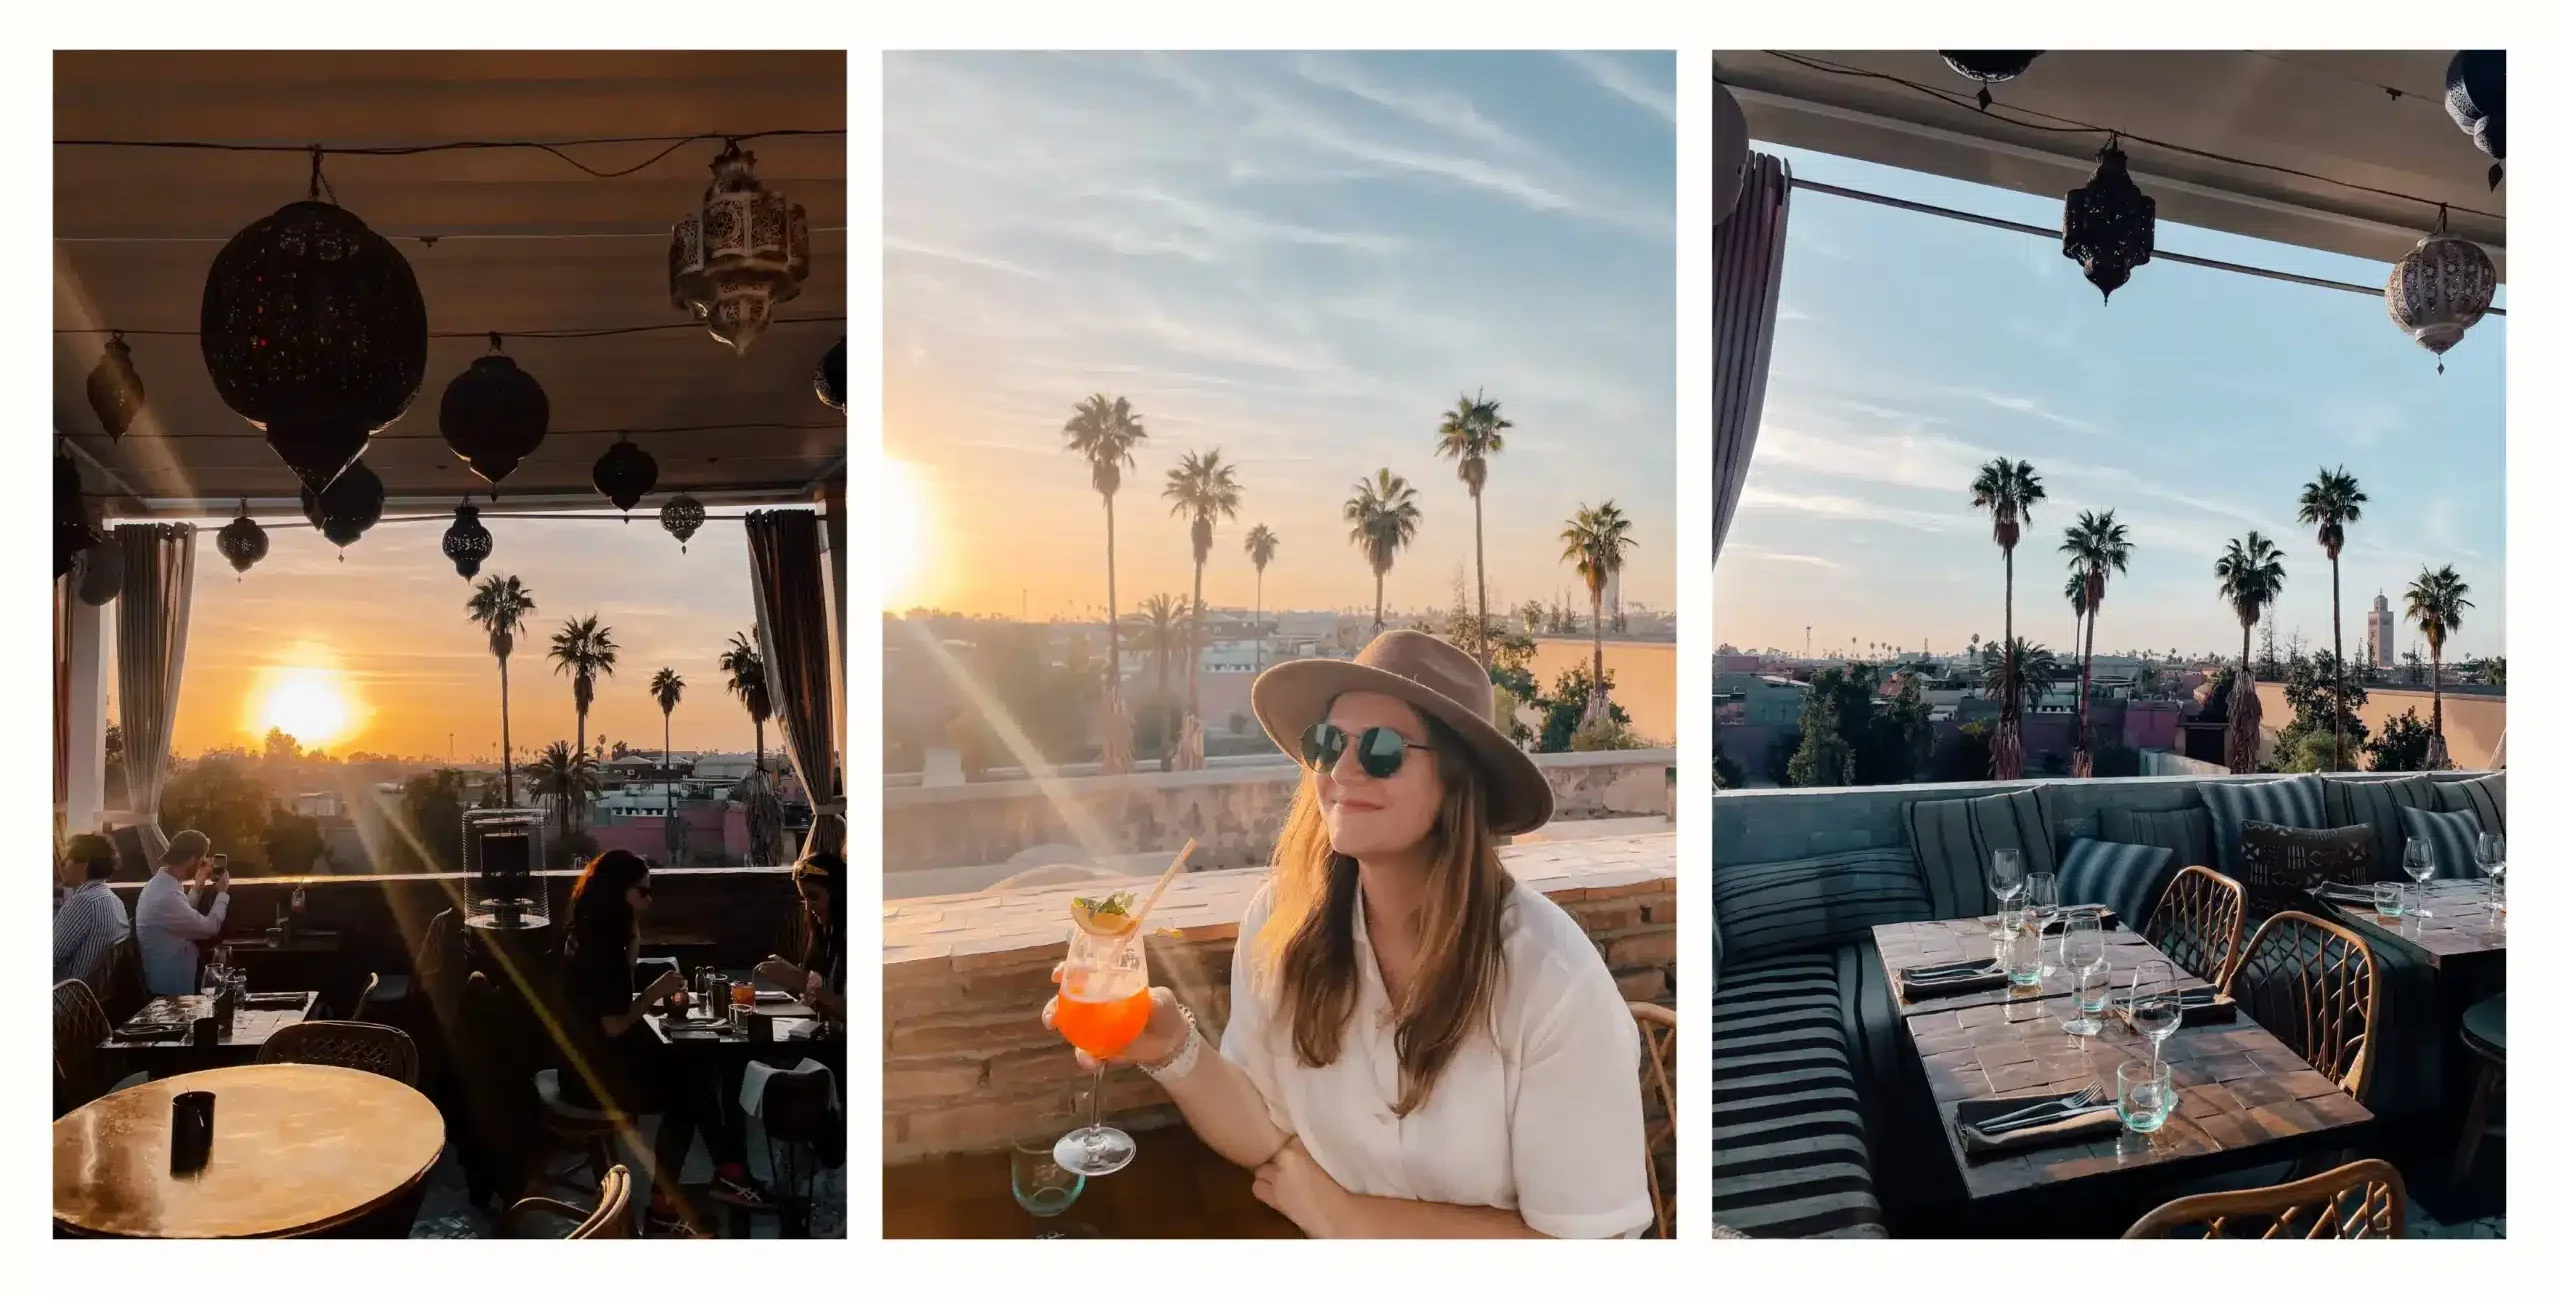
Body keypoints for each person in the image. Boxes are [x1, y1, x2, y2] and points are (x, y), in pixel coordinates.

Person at [1039, 630, 1651, 1238]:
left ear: (1458, 782)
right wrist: (1170, 1049)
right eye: (1328, 744)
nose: (1343, 770)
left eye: (1382, 749)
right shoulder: (1282, 921)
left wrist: (1349, 1218)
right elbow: (1267, 1129)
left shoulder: (1551, 981)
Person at [556, 850, 770, 1236]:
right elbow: (613, 1025)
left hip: (583, 1062)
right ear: (618, 892)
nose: (649, 901)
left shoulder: (592, 932)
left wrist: (634, 946)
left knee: (692, 1073)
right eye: (643, 892)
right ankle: (714, 1180)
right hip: (591, 1078)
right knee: (688, 1089)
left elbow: (610, 999)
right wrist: (656, 991)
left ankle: (699, 1189)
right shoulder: (600, 947)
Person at [755, 850, 845, 1021]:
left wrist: (802, 982)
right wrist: (792, 977)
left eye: (814, 897)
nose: (809, 908)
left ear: (837, 895)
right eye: (805, 900)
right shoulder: (826, 937)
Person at [134, 830, 226, 996]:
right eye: (202, 859)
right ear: (192, 859)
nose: (203, 863)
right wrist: (222, 893)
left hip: (173, 981)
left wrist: (198, 886)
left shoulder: (161, 885)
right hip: (171, 993)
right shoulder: (165, 896)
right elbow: (210, 928)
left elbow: (182, 914)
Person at [53, 833, 127, 990]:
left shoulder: (83, 903)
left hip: (65, 1002)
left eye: (68, 858)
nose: (62, 862)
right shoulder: (114, 900)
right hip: (93, 1001)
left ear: (84, 864)